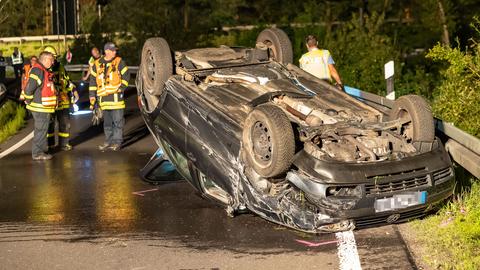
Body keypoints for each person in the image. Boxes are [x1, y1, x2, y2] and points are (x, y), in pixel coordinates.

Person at [89, 42, 129, 151]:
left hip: (116, 100)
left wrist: (122, 88)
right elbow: (92, 83)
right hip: (103, 100)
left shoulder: (120, 62)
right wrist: (92, 98)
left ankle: (117, 142)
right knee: (107, 123)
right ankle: (108, 141)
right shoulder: (96, 64)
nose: (115, 52)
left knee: (118, 122)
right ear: (107, 51)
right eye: (113, 50)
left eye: (115, 50)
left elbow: (126, 76)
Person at [43, 46, 79, 151]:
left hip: (63, 101)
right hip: (51, 102)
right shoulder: (44, 69)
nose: (54, 59)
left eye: (55, 57)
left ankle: (64, 144)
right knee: (50, 126)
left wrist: (74, 91)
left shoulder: (60, 67)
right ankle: (50, 145)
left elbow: (67, 81)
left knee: (65, 125)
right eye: (52, 57)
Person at [23, 51, 57, 160]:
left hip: (42, 107)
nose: (53, 62)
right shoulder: (38, 70)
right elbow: (29, 89)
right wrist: (28, 100)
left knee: (42, 130)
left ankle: (39, 151)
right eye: (51, 60)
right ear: (45, 60)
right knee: (41, 130)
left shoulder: (43, 70)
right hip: (40, 107)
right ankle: (38, 153)